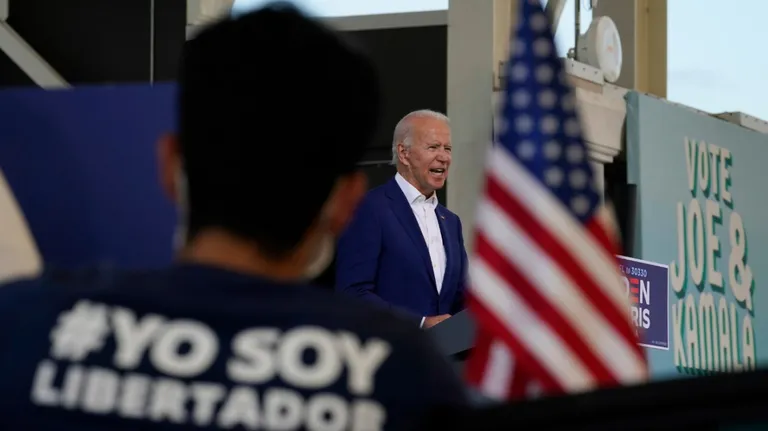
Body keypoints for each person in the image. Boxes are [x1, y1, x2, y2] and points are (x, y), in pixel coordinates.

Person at [0, 5, 467, 430]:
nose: (443, 155)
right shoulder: (406, 382)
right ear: (346, 202)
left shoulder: (27, 333)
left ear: (169, 166)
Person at [336, 110, 468, 328]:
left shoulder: (451, 222)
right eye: (433, 147)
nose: (444, 157)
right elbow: (352, 293)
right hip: (392, 353)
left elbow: (459, 298)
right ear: (404, 153)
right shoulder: (368, 209)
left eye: (448, 148)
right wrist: (420, 323)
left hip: (444, 358)